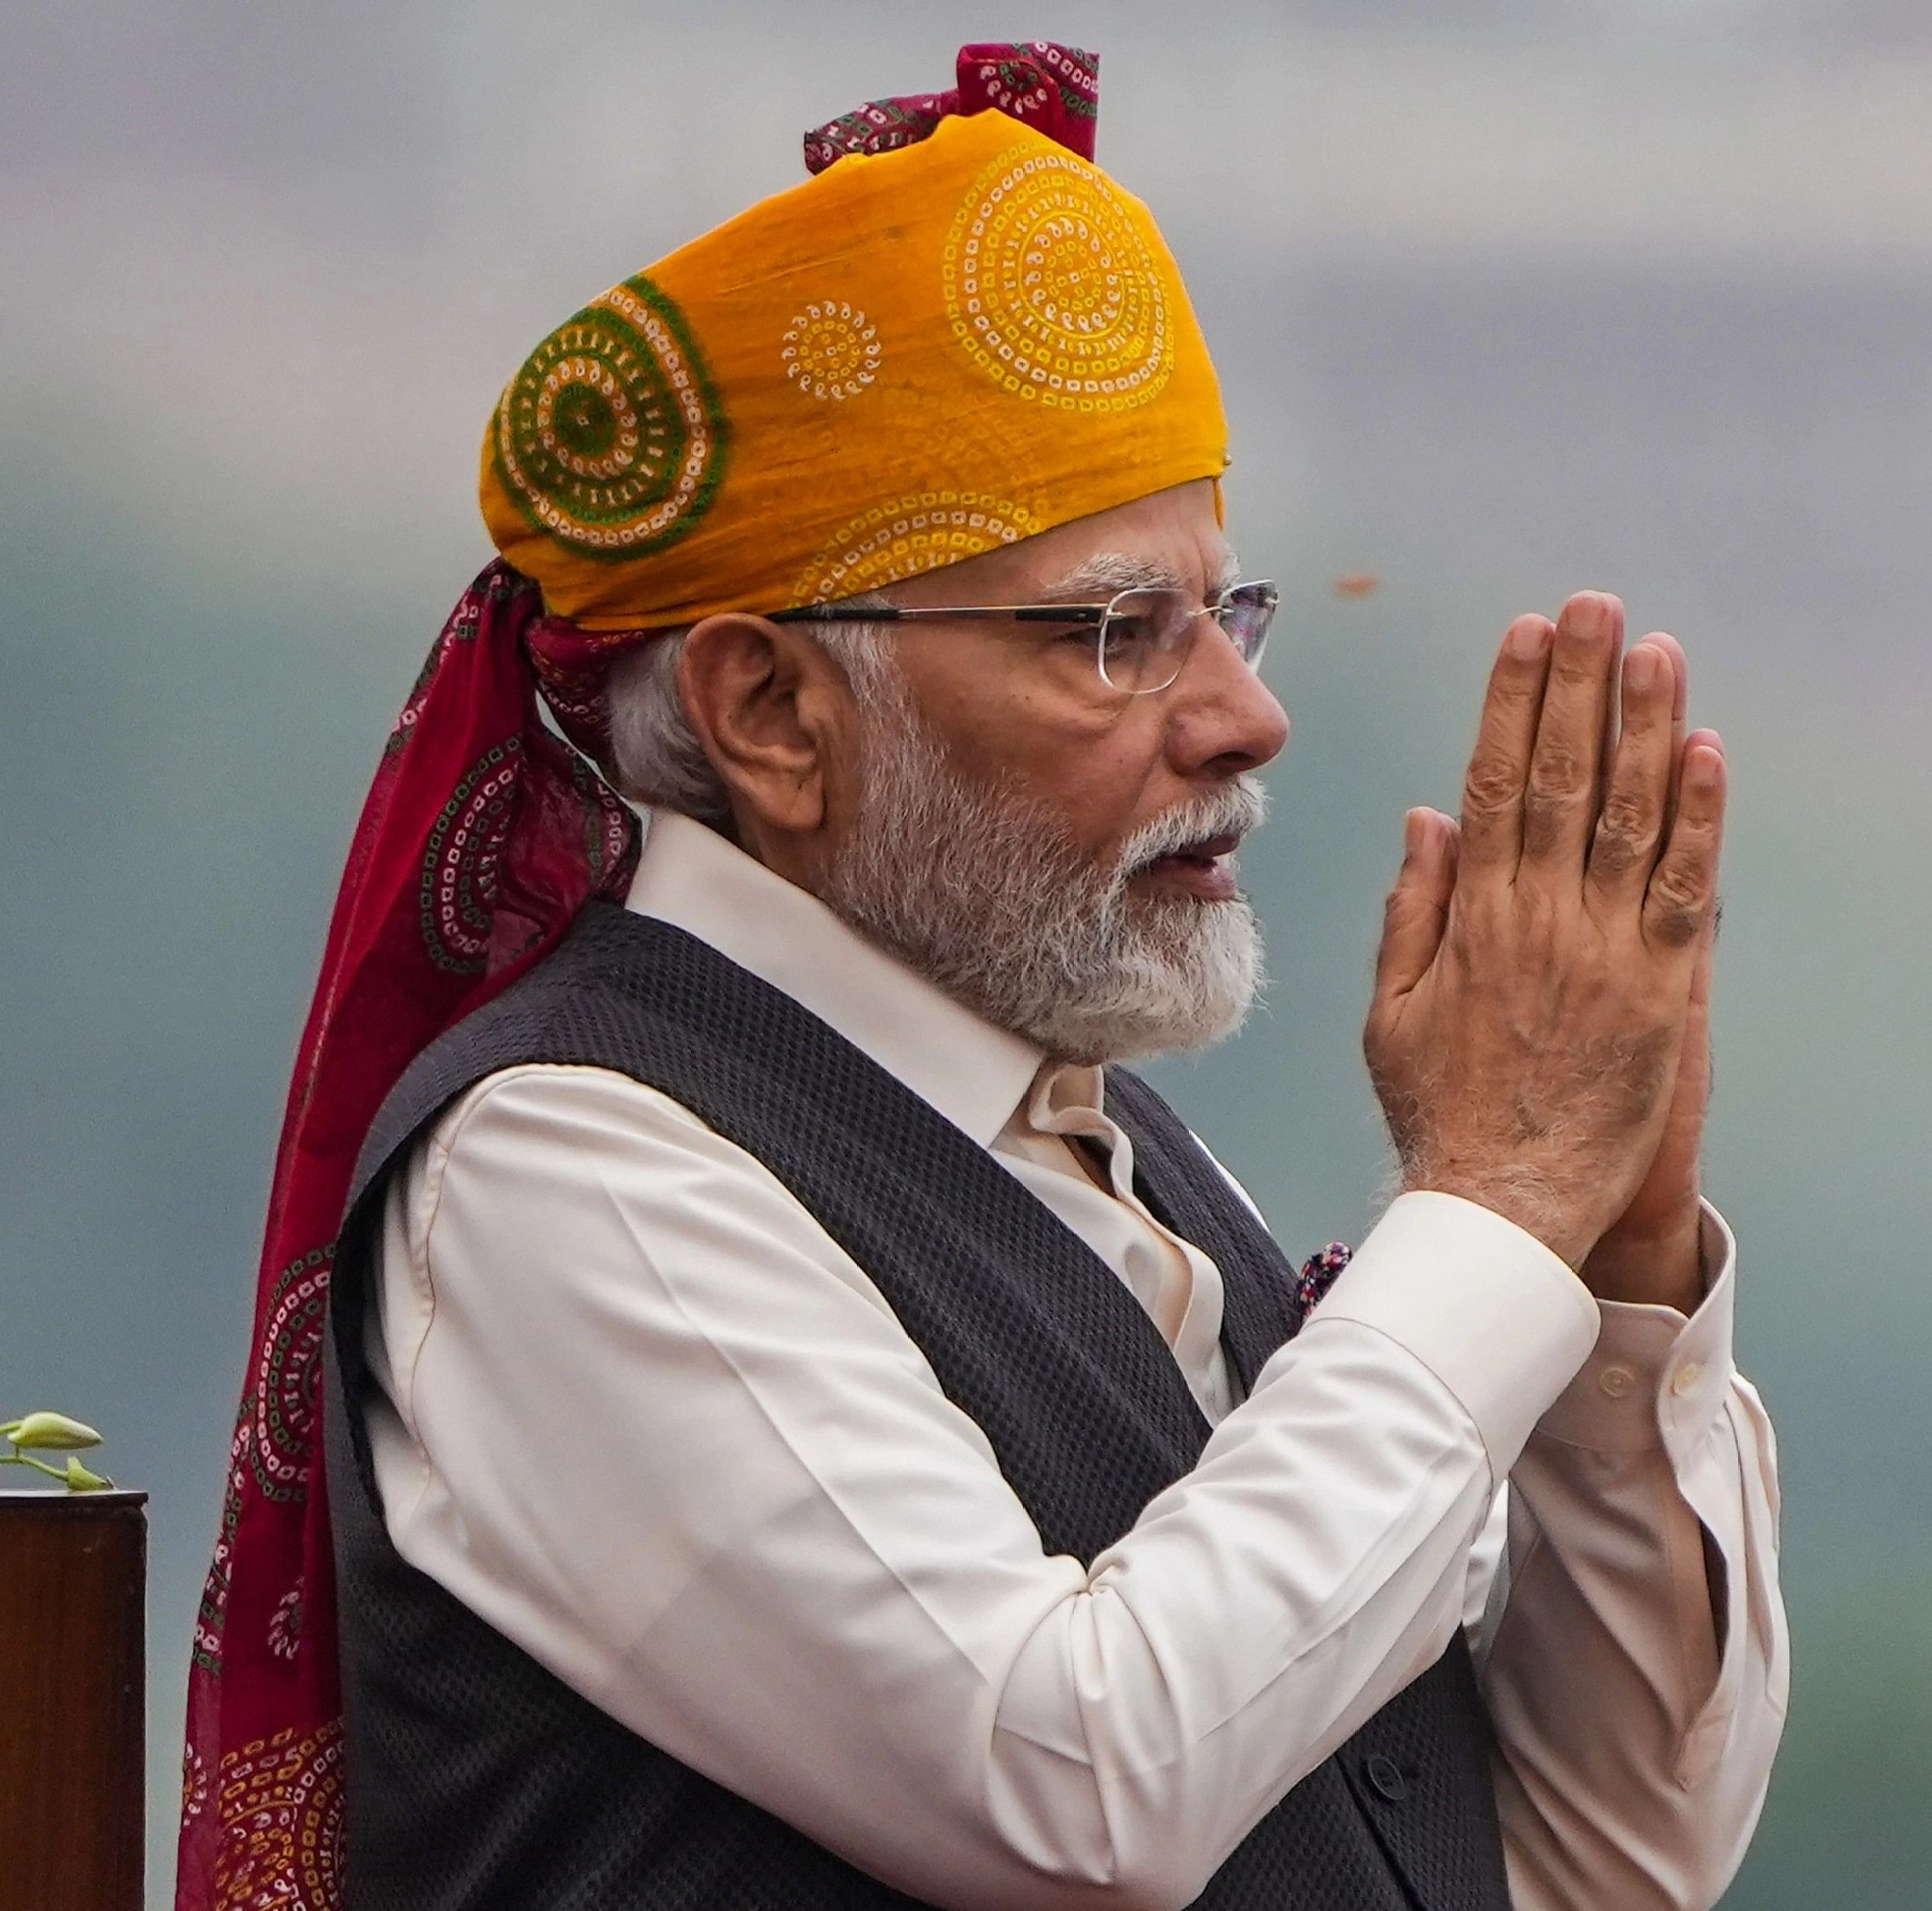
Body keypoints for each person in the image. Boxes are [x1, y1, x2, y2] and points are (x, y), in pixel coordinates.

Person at [176, 43, 1785, 1911]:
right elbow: (1074, 1785)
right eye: (1115, 633)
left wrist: (1605, 1270)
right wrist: (1487, 1204)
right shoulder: (569, 1172)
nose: (1243, 717)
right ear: (769, 709)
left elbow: (1585, 1859)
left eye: (1226, 611)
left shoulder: (1134, 1167)